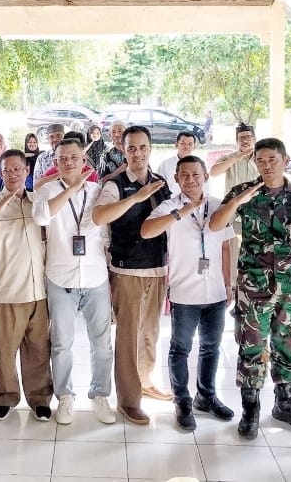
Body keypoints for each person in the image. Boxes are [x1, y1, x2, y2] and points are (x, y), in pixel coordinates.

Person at [209, 137, 291, 440]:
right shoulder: (244, 192)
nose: (266, 166)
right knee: (251, 346)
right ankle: (250, 409)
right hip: (254, 285)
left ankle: (285, 404)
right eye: (260, 160)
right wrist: (237, 201)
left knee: (289, 346)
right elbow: (215, 225)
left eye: (272, 160)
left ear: (285, 160)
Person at [141, 156, 235, 431]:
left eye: (196, 174)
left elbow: (226, 246)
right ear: (176, 179)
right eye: (184, 175)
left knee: (211, 347)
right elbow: (147, 231)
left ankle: (207, 396)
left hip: (215, 291)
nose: (190, 180)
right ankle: (182, 401)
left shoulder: (218, 205)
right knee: (181, 348)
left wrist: (229, 283)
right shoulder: (170, 206)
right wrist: (182, 212)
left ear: (206, 176)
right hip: (184, 293)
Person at [32, 137, 116, 426]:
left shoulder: (98, 191)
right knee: (61, 343)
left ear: (84, 160)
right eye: (62, 158)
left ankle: (100, 395)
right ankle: (65, 396)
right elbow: (41, 218)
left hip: (95, 277)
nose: (68, 162)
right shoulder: (46, 191)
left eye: (74, 157)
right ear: (55, 163)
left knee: (102, 343)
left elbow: (106, 229)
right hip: (61, 277)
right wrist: (71, 188)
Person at [93, 125, 171, 425]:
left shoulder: (160, 182)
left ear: (150, 149)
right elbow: (100, 216)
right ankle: (128, 400)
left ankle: (145, 381)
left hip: (157, 268)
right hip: (127, 270)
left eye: (142, 147)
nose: (137, 153)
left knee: (150, 332)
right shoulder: (114, 184)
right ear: (123, 151)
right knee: (128, 337)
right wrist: (136, 197)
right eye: (131, 148)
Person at [0, 149, 53, 422]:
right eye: (7, 170)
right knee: (5, 351)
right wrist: (1, 204)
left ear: (27, 171)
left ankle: (40, 399)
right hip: (5, 291)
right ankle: (5, 397)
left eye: (18, 169)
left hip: (38, 291)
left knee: (38, 350)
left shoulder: (39, 202)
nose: (13, 174)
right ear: (0, 173)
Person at [210, 123, 259, 293]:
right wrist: (236, 158)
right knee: (230, 245)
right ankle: (230, 284)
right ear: (237, 140)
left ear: (255, 138)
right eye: (241, 138)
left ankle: (252, 284)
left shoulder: (261, 157)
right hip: (232, 210)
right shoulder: (230, 157)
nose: (245, 140)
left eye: (248, 137)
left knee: (254, 245)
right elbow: (213, 172)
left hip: (255, 211)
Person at [156, 131, 199, 196]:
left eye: (190, 144)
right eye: (183, 143)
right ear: (176, 145)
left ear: (194, 146)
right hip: (170, 200)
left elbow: (205, 189)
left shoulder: (199, 166)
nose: (186, 146)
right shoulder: (166, 164)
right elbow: (158, 185)